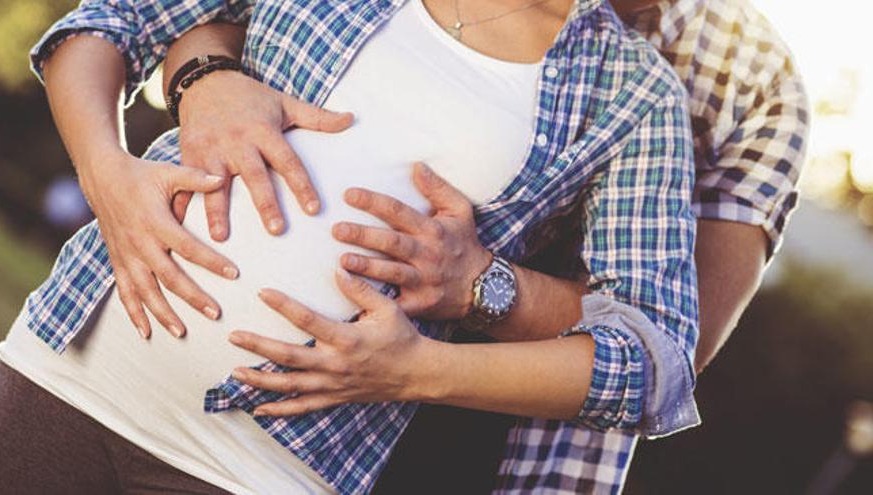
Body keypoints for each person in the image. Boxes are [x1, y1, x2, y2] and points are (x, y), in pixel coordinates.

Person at [0, 1, 700, 494]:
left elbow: (654, 362)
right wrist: (107, 173)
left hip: (260, 473)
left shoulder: (633, 95)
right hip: (72, 368)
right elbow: (109, 20)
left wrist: (422, 368)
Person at [156, 0, 809, 492]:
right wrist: (204, 78)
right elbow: (193, 18)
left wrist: (482, 285)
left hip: (500, 453)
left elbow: (668, 354)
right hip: (290, 420)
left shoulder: (753, 83)